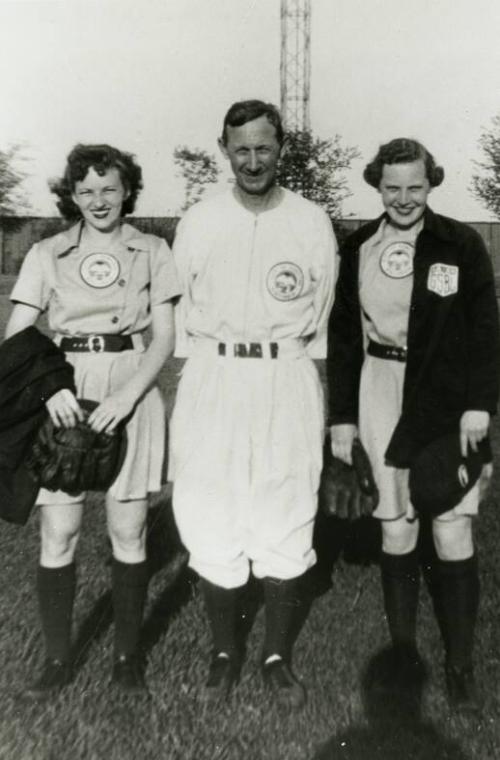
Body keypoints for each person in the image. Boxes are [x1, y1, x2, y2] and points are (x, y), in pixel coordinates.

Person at [170, 100, 337, 708]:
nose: (252, 161)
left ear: (281, 148)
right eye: (240, 149)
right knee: (209, 502)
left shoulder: (310, 221)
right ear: (224, 149)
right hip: (213, 373)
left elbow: (320, 312)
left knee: (286, 499)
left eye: (264, 148)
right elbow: (179, 306)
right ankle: (223, 651)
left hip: (284, 374)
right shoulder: (199, 220)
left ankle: (275, 655)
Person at [327, 138, 499, 712]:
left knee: (451, 526)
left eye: (415, 186)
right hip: (380, 389)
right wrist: (344, 419)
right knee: (395, 525)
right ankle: (403, 658)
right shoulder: (359, 246)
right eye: (392, 187)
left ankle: (459, 667)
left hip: (447, 400)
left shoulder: (460, 243)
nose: (403, 198)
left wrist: (480, 403)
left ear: (432, 184)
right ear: (377, 185)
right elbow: (346, 339)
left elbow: (483, 331)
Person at [5, 144, 180, 697]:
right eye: (86, 191)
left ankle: (127, 659)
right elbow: (18, 333)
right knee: (60, 532)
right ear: (71, 195)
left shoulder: (152, 248)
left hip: (130, 383)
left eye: (109, 188)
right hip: (63, 389)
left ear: (127, 190)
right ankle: (58, 660)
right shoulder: (47, 252)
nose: (98, 200)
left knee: (128, 532)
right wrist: (50, 387)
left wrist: (129, 396)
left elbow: (166, 337)